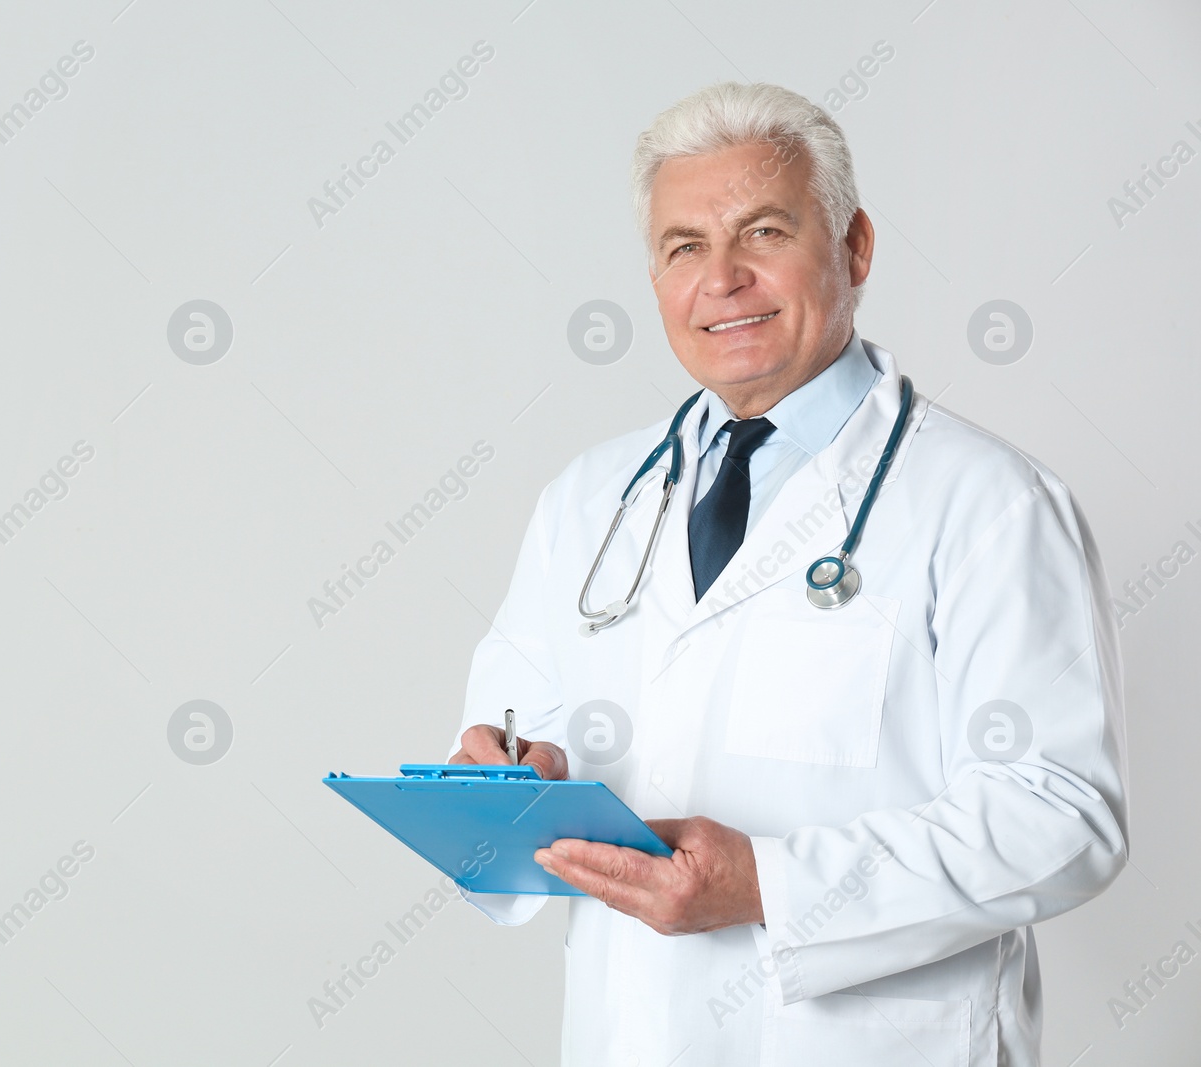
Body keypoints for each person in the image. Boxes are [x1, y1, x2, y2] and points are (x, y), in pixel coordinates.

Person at [447, 81, 1128, 1066]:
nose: (720, 280)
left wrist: (770, 884)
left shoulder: (989, 501)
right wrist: (499, 794)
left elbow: (1063, 813)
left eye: (761, 232)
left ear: (853, 248)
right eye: (684, 246)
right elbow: (516, 744)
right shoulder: (590, 500)